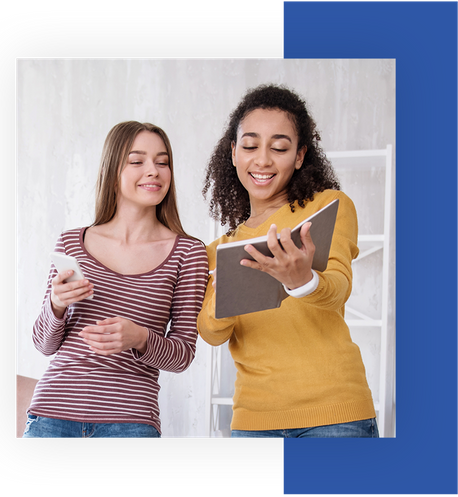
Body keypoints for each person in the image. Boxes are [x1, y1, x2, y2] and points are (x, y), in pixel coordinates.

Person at [198, 84, 378, 438]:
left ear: (299, 155)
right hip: (254, 421)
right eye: (250, 146)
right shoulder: (219, 249)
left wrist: (302, 280)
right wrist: (228, 298)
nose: (262, 160)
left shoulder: (328, 207)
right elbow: (210, 333)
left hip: (335, 414)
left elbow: (338, 289)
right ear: (233, 153)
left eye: (279, 147)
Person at [23, 121, 208, 438]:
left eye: (162, 162)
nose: (153, 171)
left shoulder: (188, 253)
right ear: (112, 171)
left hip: (130, 421)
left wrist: (140, 338)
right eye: (137, 161)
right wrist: (56, 305)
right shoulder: (71, 243)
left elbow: (182, 355)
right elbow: (43, 344)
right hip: (52, 414)